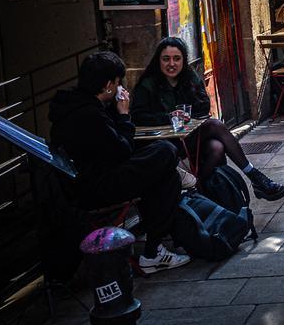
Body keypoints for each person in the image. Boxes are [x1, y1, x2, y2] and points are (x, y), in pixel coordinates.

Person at [49, 52, 190, 274]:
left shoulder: (79, 107)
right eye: (117, 83)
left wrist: (115, 112)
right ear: (107, 85)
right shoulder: (89, 115)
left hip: (92, 179)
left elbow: (112, 146)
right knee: (166, 151)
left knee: (166, 175)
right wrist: (124, 114)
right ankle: (153, 251)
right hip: (97, 186)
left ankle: (154, 251)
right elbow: (122, 150)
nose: (118, 88)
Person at [131, 37, 284, 198]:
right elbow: (138, 117)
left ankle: (197, 190)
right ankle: (254, 176)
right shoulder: (148, 85)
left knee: (217, 148)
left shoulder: (189, 77)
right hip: (166, 145)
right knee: (214, 125)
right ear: (158, 60)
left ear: (183, 60)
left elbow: (204, 107)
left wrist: (188, 114)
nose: (171, 64)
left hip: (189, 139)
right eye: (166, 59)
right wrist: (169, 117)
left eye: (176, 59)